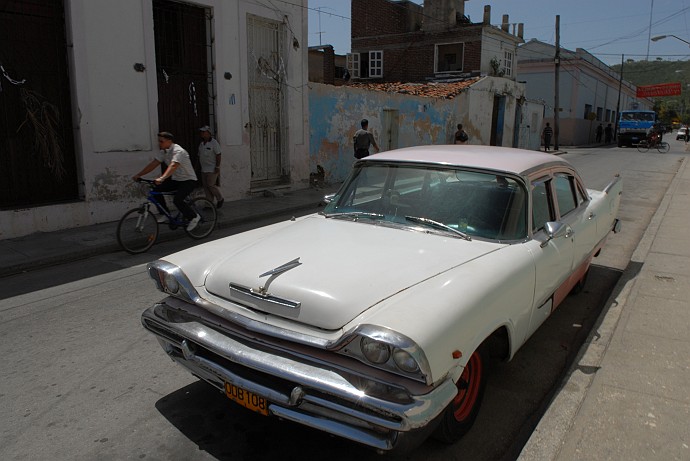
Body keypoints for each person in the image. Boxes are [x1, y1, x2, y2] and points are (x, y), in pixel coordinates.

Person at [132, 131, 200, 231]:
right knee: (155, 191)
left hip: (188, 180)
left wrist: (162, 178)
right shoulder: (163, 152)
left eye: (161, 141)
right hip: (176, 180)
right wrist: (139, 175)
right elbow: (153, 164)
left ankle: (194, 217)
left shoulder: (178, 151)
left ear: (169, 141)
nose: (159, 144)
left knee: (177, 200)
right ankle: (165, 214)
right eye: (159, 141)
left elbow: (174, 165)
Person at [198, 125, 224, 208]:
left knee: (211, 185)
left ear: (209, 133)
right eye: (201, 132)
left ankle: (220, 198)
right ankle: (209, 204)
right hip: (203, 169)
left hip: (212, 168)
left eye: (203, 132)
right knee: (206, 187)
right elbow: (199, 156)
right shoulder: (201, 144)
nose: (202, 133)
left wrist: (217, 166)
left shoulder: (214, 143)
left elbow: (218, 154)